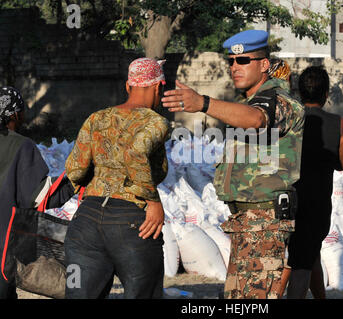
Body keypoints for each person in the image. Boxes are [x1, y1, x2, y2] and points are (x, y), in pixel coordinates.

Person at [161, 30, 305, 299]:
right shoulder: (249, 101)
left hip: (264, 221)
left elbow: (257, 120)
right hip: (245, 220)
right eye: (232, 61)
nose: (234, 67)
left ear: (264, 65)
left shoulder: (280, 100)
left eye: (243, 61)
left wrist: (202, 103)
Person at [64, 58, 169, 299]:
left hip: (86, 222)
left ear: (128, 86)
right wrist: (153, 201)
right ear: (157, 87)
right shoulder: (155, 121)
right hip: (132, 223)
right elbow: (135, 151)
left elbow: (76, 170)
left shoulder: (96, 118)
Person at [281, 66, 343, 299]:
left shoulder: (288, 121)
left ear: (299, 92)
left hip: (287, 200)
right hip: (318, 203)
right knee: (302, 265)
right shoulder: (337, 123)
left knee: (309, 254)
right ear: (326, 94)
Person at [0, 86, 74, 299]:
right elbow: (41, 196)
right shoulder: (21, 146)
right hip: (4, 246)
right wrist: (75, 182)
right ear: (14, 113)